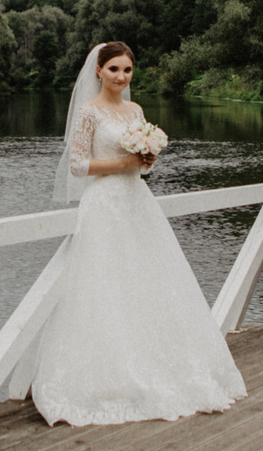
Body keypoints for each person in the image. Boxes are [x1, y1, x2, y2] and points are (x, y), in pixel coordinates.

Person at [25, 41, 247, 426]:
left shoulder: (136, 110)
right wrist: (123, 162)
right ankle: (108, 375)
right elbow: (77, 165)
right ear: (98, 71)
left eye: (127, 70)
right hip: (104, 206)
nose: (121, 77)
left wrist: (145, 160)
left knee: (150, 282)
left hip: (137, 202)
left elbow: (140, 170)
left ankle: (160, 364)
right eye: (114, 69)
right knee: (105, 285)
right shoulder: (88, 112)